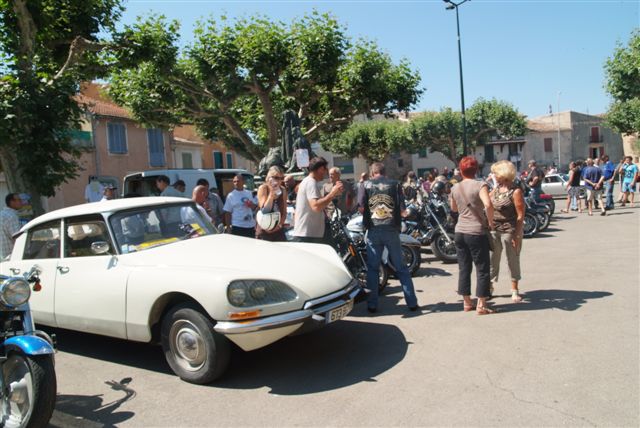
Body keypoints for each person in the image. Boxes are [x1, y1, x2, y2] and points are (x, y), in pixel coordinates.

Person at [358, 162, 418, 313]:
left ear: (372, 173)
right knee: (401, 268)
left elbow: (361, 208)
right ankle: (412, 303)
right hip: (391, 229)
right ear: (385, 172)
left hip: (373, 229)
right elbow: (403, 210)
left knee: (373, 269)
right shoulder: (395, 184)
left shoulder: (365, 185)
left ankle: (372, 305)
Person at [449, 156, 496, 315]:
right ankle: (481, 304)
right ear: (476, 170)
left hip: (460, 231)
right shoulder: (480, 185)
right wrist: (490, 222)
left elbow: (454, 209)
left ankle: (467, 302)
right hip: (476, 231)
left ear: (461, 171)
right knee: (482, 268)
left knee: (464, 268)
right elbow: (488, 204)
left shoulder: (455, 188)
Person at [488, 161, 525, 303]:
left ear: (503, 174)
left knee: (512, 259)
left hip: (510, 229)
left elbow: (520, 215)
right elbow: (487, 202)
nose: (493, 175)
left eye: (495, 173)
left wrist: (517, 234)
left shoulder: (515, 191)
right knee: (493, 258)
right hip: (495, 228)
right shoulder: (496, 189)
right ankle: (490, 287)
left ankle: (514, 289)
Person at [292, 157, 343, 244]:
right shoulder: (310, 182)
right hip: (307, 235)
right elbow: (316, 206)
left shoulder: (308, 182)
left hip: (309, 234)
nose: (326, 173)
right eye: (325, 169)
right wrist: (332, 193)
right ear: (320, 169)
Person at [256, 166, 287, 241]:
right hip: (264, 230)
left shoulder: (283, 190)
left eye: (281, 178)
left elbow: (284, 212)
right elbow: (264, 210)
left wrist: (279, 226)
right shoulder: (263, 188)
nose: (279, 181)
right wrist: (271, 195)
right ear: (269, 178)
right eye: (276, 177)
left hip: (278, 231)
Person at [0, 193, 23, 260]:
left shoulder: (2, 214)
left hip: (3, 256)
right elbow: (18, 238)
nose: (21, 202)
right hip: (13, 256)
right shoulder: (12, 217)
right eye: (19, 200)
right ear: (12, 202)